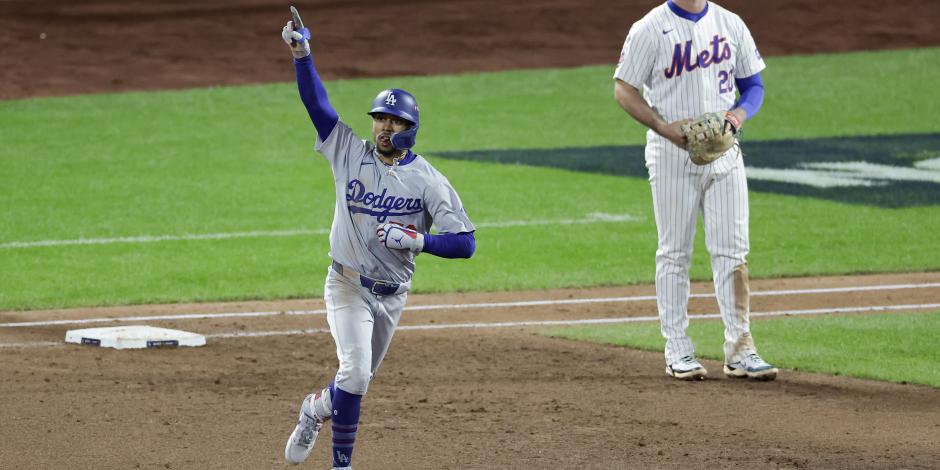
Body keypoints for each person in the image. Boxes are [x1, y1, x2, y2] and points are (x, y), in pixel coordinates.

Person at [279, 12, 476, 469]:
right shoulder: (348, 152)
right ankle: (341, 465)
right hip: (346, 284)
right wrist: (302, 56)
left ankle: (314, 408)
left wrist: (417, 239)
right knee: (356, 374)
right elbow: (318, 107)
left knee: (355, 382)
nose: (384, 127)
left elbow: (465, 243)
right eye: (380, 119)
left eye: (394, 120)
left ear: (410, 127)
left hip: (393, 296)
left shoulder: (429, 182)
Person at [612, 0, 777, 381]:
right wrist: (664, 127)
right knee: (674, 252)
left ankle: (741, 348)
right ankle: (677, 348)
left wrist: (736, 116)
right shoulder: (649, 28)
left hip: (725, 154)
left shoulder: (729, 23)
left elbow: (753, 85)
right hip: (671, 155)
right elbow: (623, 89)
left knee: (733, 252)